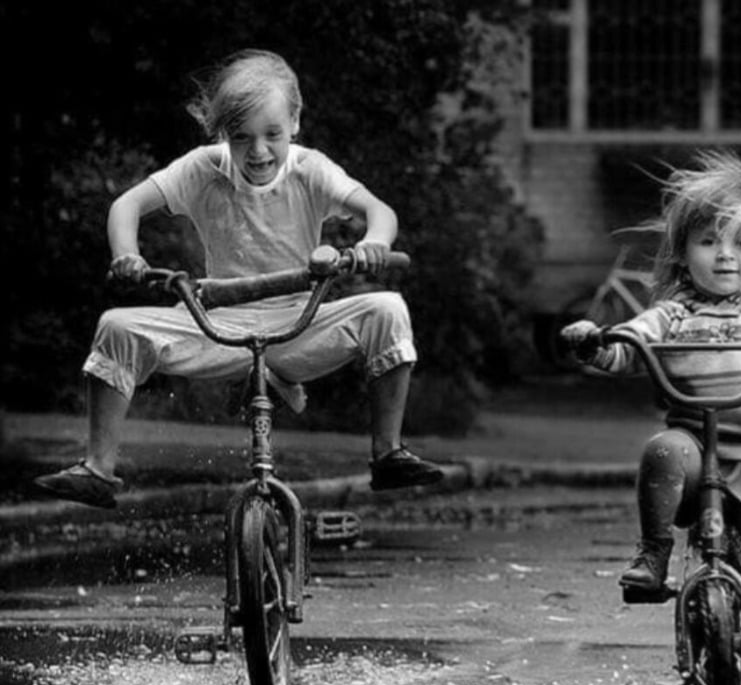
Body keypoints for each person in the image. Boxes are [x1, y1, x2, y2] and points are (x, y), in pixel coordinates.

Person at [35, 49, 443, 509]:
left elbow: (379, 213)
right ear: (223, 133)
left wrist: (374, 244)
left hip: (300, 325)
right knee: (115, 325)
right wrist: (127, 254)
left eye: (272, 134)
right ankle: (98, 468)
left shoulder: (310, 169)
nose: (259, 151)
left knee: (387, 309)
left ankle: (388, 452)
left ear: (295, 121)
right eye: (242, 137)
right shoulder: (203, 168)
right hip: (219, 326)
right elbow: (125, 207)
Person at [561, 151, 741, 685]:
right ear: (681, 252)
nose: (726, 257)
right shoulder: (674, 313)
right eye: (708, 242)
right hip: (696, 452)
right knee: (664, 449)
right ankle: (654, 554)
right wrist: (594, 343)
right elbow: (628, 346)